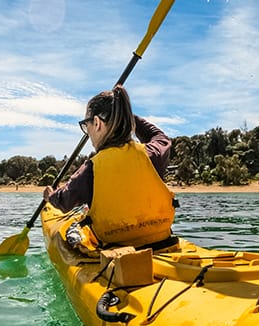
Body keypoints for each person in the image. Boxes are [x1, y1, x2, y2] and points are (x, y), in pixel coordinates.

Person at [43, 85, 176, 250]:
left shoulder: (91, 169)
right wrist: (126, 114)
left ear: (97, 123)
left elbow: (64, 201)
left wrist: (50, 196)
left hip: (115, 248)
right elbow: (160, 137)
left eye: (87, 125)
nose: (88, 132)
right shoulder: (152, 154)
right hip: (162, 242)